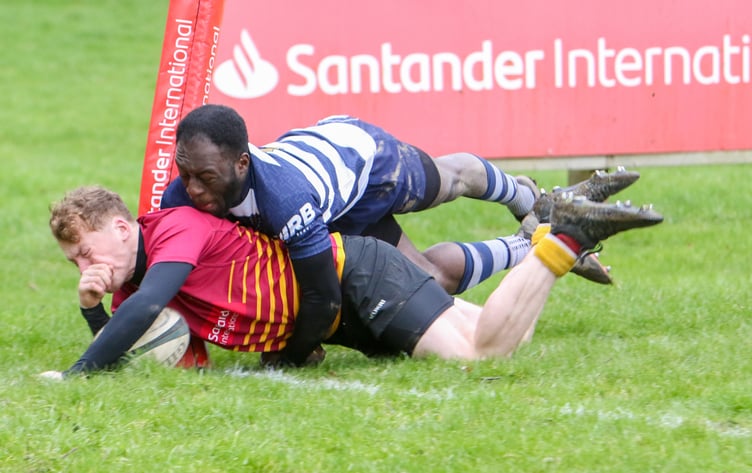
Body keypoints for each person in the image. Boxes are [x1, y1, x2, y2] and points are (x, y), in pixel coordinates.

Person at [160, 104, 638, 365]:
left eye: (206, 176)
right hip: (328, 215)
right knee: (433, 282)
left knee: (453, 182)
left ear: (241, 163)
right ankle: (535, 244)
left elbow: (323, 295)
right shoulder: (181, 197)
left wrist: (290, 352)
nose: (194, 187)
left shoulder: (284, 196)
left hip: (364, 162)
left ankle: (526, 197)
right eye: (187, 175)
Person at [41, 185, 662, 378]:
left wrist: (73, 377)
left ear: (122, 227)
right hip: (344, 317)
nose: (86, 266)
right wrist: (95, 309)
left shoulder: (174, 228)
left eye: (87, 252)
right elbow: (177, 368)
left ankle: (566, 237)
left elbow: (150, 300)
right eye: (74, 263)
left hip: (355, 274)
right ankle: (558, 232)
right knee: (508, 341)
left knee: (483, 354)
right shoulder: (125, 291)